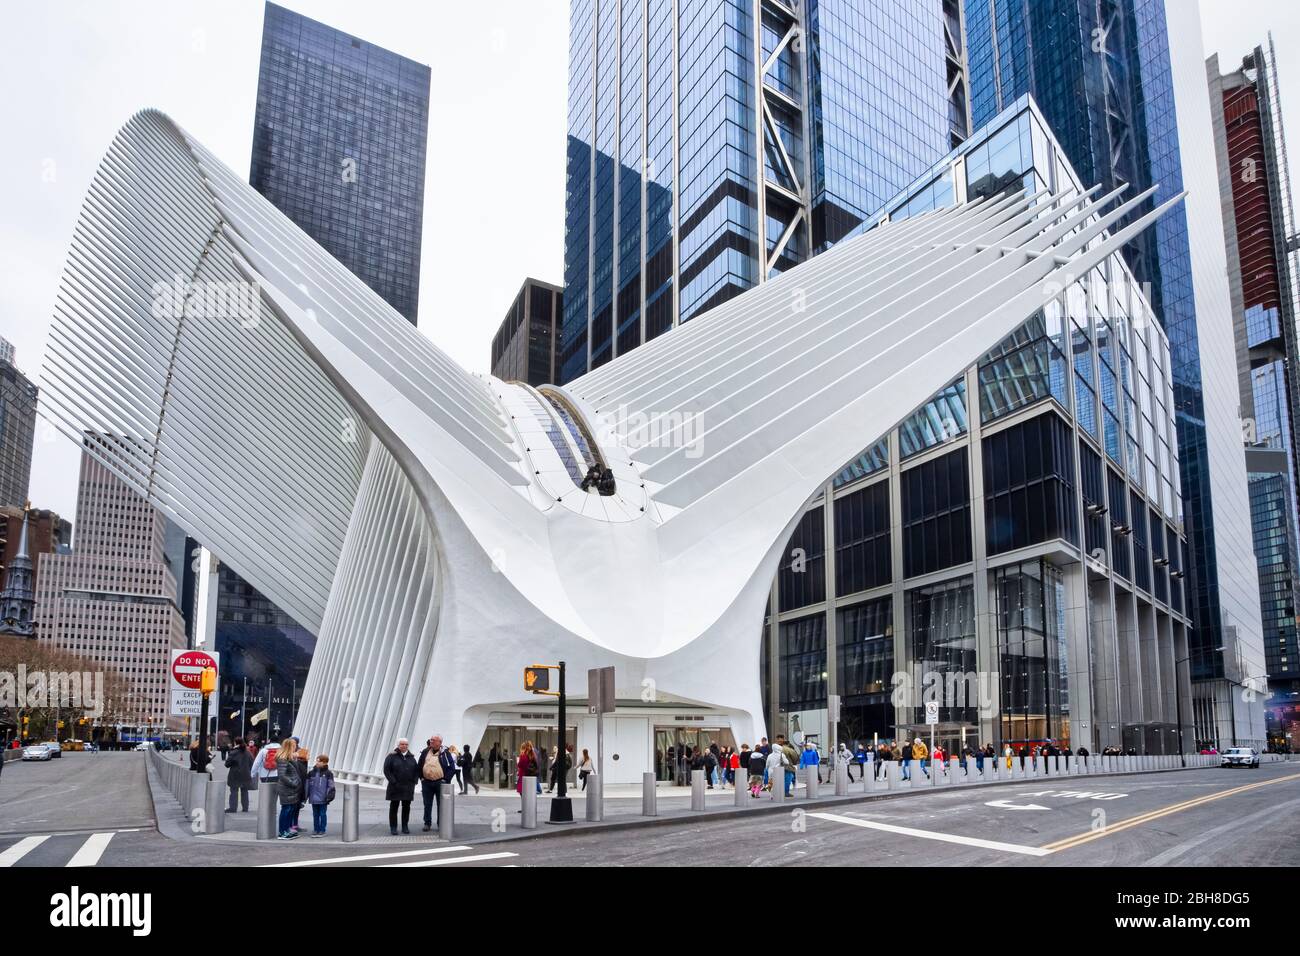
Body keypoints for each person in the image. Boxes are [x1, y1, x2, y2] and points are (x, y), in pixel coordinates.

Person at [417, 735, 457, 832]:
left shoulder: (445, 753)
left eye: (433, 740)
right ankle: (427, 823)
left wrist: (445, 779)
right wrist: (421, 777)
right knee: (427, 804)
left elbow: (452, 768)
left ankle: (441, 824)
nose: (431, 741)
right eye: (431, 740)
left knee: (441, 805)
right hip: (426, 782)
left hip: (440, 782)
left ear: (439, 742)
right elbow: (419, 764)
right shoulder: (425, 751)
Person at [383, 738, 418, 836]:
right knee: (394, 807)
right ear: (398, 745)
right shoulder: (391, 756)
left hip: (408, 787)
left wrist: (415, 781)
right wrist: (393, 781)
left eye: (406, 744)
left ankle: (405, 826)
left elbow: (416, 770)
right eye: (402, 744)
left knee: (406, 807)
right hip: (395, 787)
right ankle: (393, 827)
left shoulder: (411, 757)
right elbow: (386, 770)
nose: (404, 746)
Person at [275, 737, 304, 840]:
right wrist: (294, 783)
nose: (296, 747)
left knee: (290, 809)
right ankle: (282, 832)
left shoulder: (288, 758)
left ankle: (287, 830)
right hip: (287, 789)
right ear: (289, 747)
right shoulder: (283, 759)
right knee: (286, 810)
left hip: (291, 789)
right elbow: (282, 776)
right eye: (294, 746)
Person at [305, 753, 336, 837]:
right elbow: (307, 785)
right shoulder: (311, 773)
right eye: (317, 761)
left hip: (323, 798)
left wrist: (329, 796)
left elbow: (331, 786)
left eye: (320, 761)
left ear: (325, 762)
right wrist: (305, 796)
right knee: (315, 814)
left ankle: (322, 830)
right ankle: (316, 829)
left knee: (322, 814)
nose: (317, 763)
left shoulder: (328, 773)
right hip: (313, 798)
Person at [224, 737, 253, 813]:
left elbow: (227, 764)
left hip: (235, 774)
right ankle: (245, 808)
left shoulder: (233, 752)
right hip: (246, 774)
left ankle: (233, 808)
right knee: (245, 791)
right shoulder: (248, 752)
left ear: (235, 743)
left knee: (234, 791)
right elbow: (251, 763)